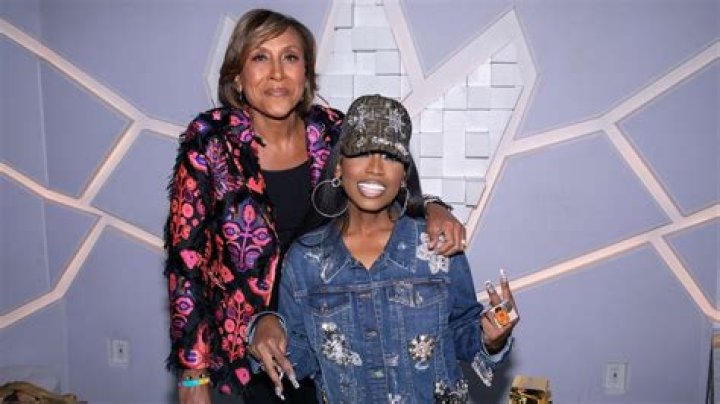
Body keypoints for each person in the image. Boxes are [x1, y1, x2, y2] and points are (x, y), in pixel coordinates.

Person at [163, 9, 464, 403]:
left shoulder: (333, 129)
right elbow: (187, 260)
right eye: (260, 57)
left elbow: (386, 179)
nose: (277, 73)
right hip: (248, 353)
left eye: (290, 57)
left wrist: (434, 208)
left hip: (330, 335)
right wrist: (193, 376)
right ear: (237, 75)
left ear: (305, 74)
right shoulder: (210, 141)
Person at [260, 94, 519, 403]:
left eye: (389, 156)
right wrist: (263, 332)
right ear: (339, 167)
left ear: (403, 175)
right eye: (362, 153)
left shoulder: (436, 245)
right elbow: (299, 360)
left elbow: (464, 330)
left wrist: (492, 338)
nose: (375, 169)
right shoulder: (306, 259)